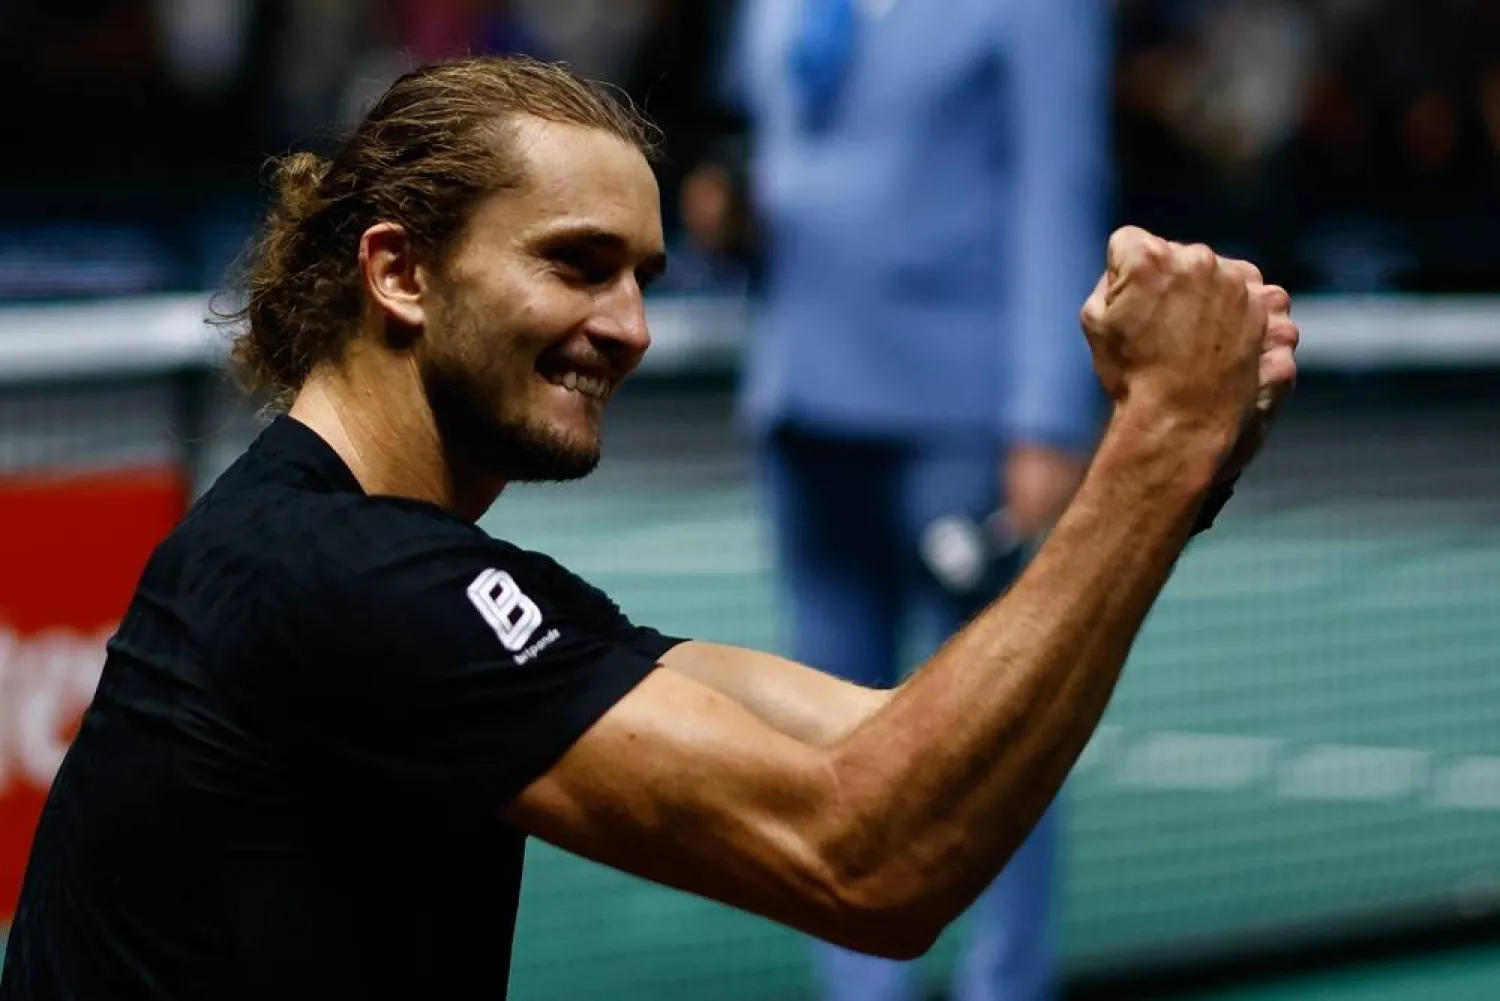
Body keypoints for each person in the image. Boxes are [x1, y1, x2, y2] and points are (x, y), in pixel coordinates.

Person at [0, 56, 1298, 1001]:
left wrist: (1166, 482)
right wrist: (1155, 452)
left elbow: (887, 733)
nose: (630, 325)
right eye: (576, 263)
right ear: (399, 272)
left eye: (643, 278)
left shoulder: (364, 561)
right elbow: (873, 849)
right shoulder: (335, 580)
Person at [681, 2, 1112, 996]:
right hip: (801, 394)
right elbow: (771, 150)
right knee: (822, 738)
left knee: (1007, 728)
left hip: (960, 406)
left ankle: (1009, 980)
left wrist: (1047, 412)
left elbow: (1061, 186)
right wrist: (731, 215)